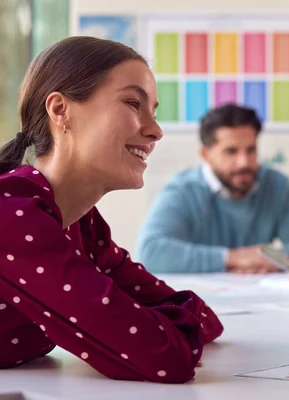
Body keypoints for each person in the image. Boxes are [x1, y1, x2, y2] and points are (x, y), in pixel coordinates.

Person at [0, 36, 223, 383]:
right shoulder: (11, 214)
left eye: (154, 111)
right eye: (134, 103)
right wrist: (159, 324)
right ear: (61, 110)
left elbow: (202, 318)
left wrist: (164, 323)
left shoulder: (80, 223)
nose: (155, 131)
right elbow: (165, 356)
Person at [136, 104, 289, 274]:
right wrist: (233, 258)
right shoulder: (183, 190)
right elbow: (151, 253)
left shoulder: (276, 185)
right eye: (231, 151)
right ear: (206, 154)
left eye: (251, 150)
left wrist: (270, 260)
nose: (244, 162)